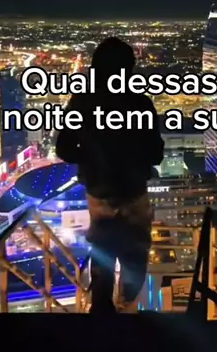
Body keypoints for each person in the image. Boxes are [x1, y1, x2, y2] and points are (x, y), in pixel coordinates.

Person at [55, 37, 164, 313]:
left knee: (103, 247)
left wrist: (92, 158)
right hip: (133, 190)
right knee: (135, 253)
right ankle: (126, 308)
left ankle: (101, 308)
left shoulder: (82, 102)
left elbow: (64, 148)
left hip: (99, 189)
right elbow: (155, 153)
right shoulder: (139, 103)